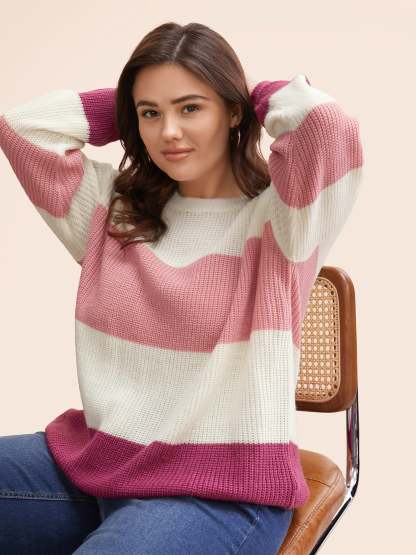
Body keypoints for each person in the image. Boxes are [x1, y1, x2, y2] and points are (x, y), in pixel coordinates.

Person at [0, 20, 364, 554]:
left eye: (190, 108)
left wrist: (246, 94)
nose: (168, 131)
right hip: (100, 464)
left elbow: (326, 128)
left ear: (231, 111)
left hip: (221, 494)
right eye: (151, 114)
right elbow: (23, 128)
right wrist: (133, 103)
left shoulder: (284, 223)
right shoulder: (110, 213)